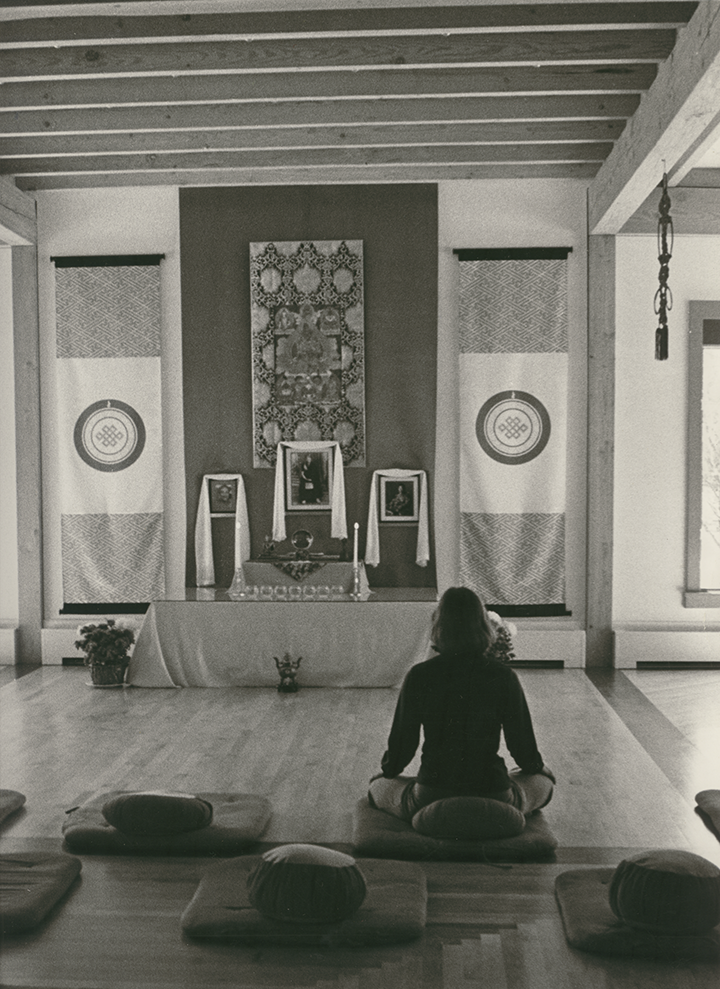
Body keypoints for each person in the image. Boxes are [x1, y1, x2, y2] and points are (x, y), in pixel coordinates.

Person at [368, 586, 555, 821]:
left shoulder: (420, 675)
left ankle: (433, 816)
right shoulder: (503, 676)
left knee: (376, 787)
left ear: (439, 626)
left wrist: (387, 773)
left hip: (432, 791)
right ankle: (499, 816)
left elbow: (403, 744)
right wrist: (537, 768)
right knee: (544, 782)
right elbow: (522, 746)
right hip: (493, 791)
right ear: (482, 625)